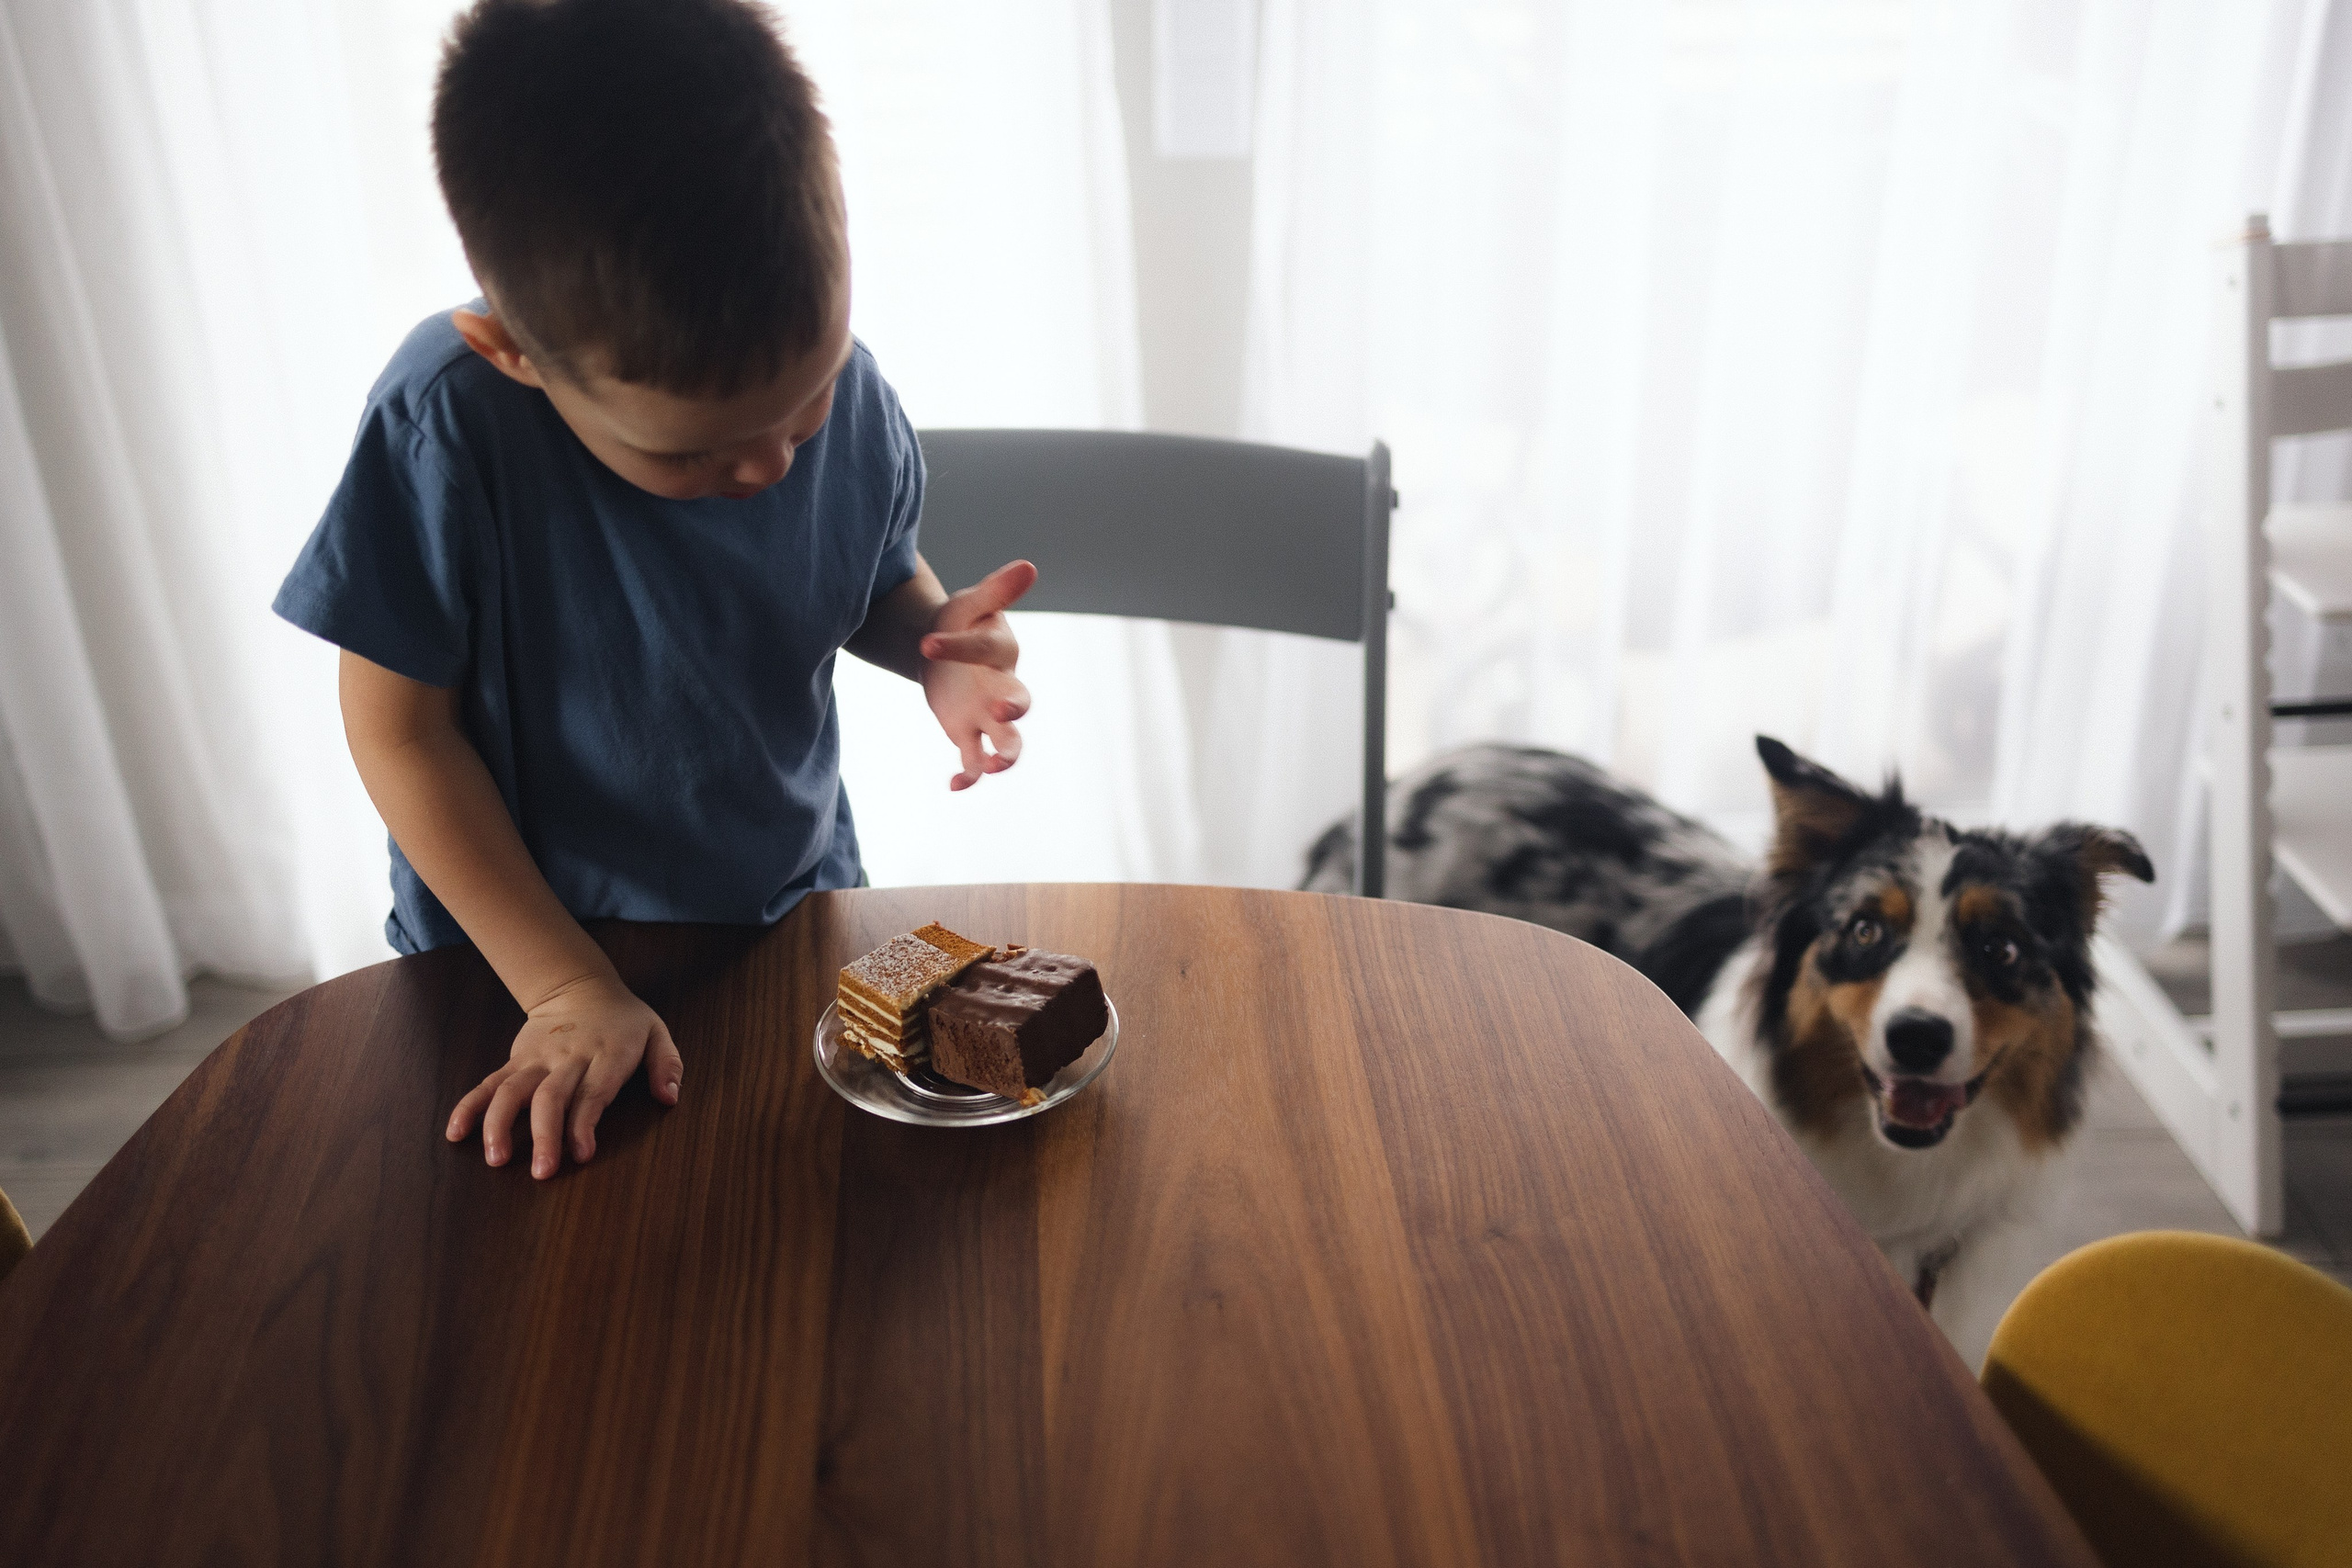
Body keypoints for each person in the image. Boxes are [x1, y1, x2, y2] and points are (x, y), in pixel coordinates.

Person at [273, 0, 1031, 1181]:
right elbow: (400, 734)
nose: (771, 464)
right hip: (524, 961)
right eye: (692, 452)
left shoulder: (843, 384)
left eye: (807, 403)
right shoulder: (447, 428)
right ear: (514, 355)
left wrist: (933, 645)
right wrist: (565, 987)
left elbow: (869, 573)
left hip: (788, 911)